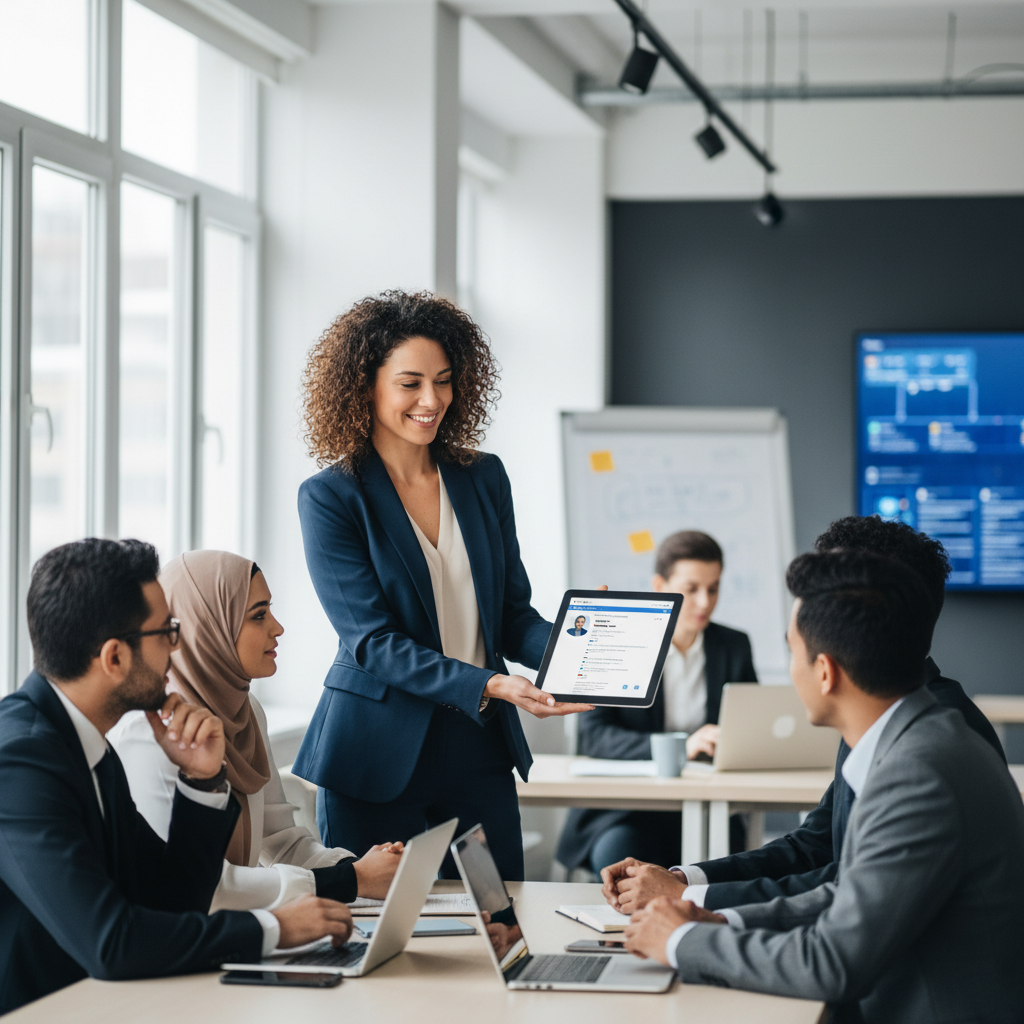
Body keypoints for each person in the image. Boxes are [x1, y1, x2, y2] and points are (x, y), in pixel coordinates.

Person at [623, 550, 1024, 1024]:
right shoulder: (919, 739)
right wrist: (718, 920)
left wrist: (679, 941)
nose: (790, 671)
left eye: (793, 652)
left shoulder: (919, 771)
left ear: (825, 671)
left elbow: (833, 962)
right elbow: (848, 895)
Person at [291, 290, 592, 881]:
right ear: (365, 386)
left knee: (501, 921)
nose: (432, 400)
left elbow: (509, 614)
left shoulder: (483, 478)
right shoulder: (331, 497)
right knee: (382, 940)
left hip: (477, 748)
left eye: (445, 380)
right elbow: (372, 642)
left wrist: (583, 655)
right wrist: (493, 683)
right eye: (410, 383)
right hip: (375, 754)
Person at [0, 539, 353, 1015]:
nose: (177, 643)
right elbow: (112, 941)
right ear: (114, 658)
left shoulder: (84, 741)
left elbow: (170, 901)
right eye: (166, 631)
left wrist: (201, 780)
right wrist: (276, 928)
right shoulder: (21, 760)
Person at [600, 515, 1005, 914]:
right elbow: (815, 846)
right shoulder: (886, 719)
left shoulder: (925, 749)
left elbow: (845, 896)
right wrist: (684, 881)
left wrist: (683, 903)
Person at [109, 550, 404, 912]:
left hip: (236, 937)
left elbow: (281, 843)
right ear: (207, 627)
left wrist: (358, 867)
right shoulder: (148, 734)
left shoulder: (247, 713)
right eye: (258, 615)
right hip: (181, 947)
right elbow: (199, 886)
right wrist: (351, 880)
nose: (277, 627)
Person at [557, 530, 756, 874]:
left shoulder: (733, 645)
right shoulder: (621, 639)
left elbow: (749, 727)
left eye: (713, 588)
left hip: (708, 805)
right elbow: (594, 735)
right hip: (626, 810)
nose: (704, 602)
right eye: (691, 588)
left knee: (728, 868)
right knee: (624, 859)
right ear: (660, 586)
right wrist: (681, 747)